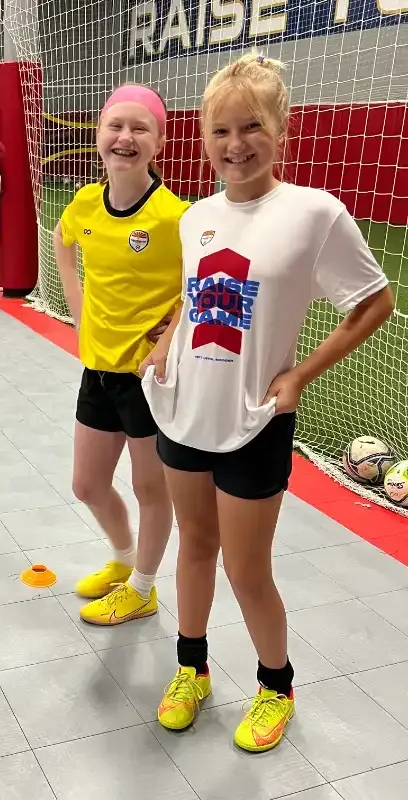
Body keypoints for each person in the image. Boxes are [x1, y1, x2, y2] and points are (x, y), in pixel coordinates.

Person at [142, 53, 393, 752]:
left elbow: (374, 303)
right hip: (186, 409)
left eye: (251, 126)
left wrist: (301, 376)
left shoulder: (315, 213)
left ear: (280, 128)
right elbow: (195, 300)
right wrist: (166, 344)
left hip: (254, 419)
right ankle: (191, 671)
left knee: (246, 569)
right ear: (204, 138)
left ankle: (275, 686)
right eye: (220, 131)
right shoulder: (196, 218)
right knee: (193, 546)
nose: (236, 144)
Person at [54, 84, 189, 625]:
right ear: (101, 135)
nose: (125, 137)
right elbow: (63, 242)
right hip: (98, 368)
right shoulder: (85, 202)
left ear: (158, 140)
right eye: (115, 126)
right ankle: (123, 558)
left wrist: (168, 338)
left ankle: (144, 586)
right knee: (86, 483)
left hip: (148, 378)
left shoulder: (175, 216)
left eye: (140, 128)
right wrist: (79, 308)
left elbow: (201, 285)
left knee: (149, 487)